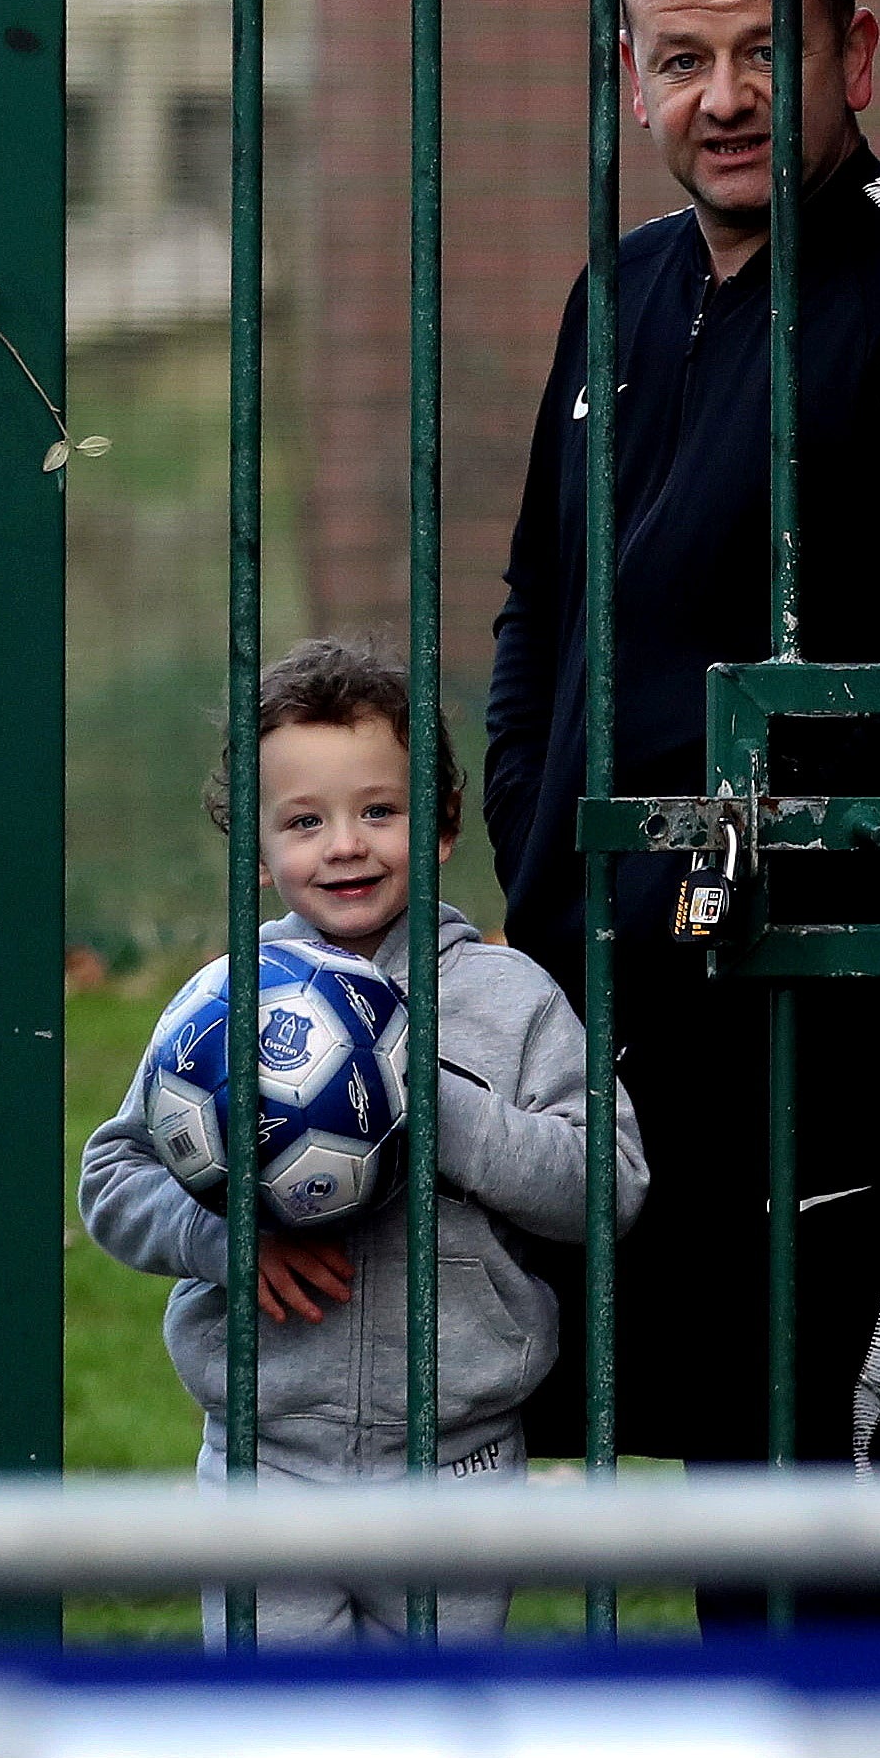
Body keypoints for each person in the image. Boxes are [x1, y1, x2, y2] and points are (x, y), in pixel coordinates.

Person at [486, 0, 880, 1627]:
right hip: (605, 1003)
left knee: (797, 1468)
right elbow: (538, 603)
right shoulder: (612, 294)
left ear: (858, 50)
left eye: (769, 47)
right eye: (681, 57)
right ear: (634, 81)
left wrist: (768, 863)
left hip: (827, 1008)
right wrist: (536, 841)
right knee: (693, 1443)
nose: (727, 92)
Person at [80, 636, 646, 1649]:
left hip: (459, 1466)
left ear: (437, 828)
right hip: (266, 1460)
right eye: (305, 820)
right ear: (258, 849)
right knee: (282, 1752)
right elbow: (113, 1176)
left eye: (379, 810)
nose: (345, 844)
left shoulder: (508, 999)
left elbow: (607, 1184)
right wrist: (226, 1239)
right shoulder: (226, 1006)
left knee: (431, 1752)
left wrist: (443, 1115)